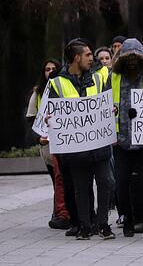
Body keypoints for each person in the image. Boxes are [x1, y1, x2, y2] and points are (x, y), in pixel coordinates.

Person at [48, 39, 114, 240]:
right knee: (81, 187)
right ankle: (85, 226)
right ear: (77, 58)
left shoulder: (99, 77)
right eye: (87, 54)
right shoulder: (57, 83)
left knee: (106, 182)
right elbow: (51, 111)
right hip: (75, 146)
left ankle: (102, 223)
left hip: (99, 143)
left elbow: (108, 101)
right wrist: (49, 119)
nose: (91, 58)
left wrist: (112, 110)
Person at [106, 38, 143, 238]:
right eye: (127, 58)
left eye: (135, 57)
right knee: (121, 183)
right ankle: (128, 220)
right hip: (121, 140)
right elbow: (103, 107)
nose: (132, 62)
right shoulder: (113, 78)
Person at [26, 59, 68, 230]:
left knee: (62, 179)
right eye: (47, 69)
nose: (50, 71)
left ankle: (61, 212)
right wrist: (38, 139)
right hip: (47, 146)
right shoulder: (38, 93)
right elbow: (31, 119)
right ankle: (59, 211)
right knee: (56, 179)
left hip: (64, 143)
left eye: (53, 68)